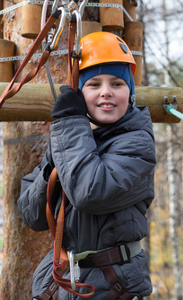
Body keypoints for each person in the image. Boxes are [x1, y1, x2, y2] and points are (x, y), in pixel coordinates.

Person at [17, 32, 155, 300]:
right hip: (66, 278)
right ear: (80, 95)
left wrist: (70, 126)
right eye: (94, 84)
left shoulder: (137, 144)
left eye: (117, 83)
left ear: (130, 92)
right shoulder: (74, 141)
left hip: (113, 284)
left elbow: (89, 193)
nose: (106, 92)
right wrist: (54, 165)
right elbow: (31, 214)